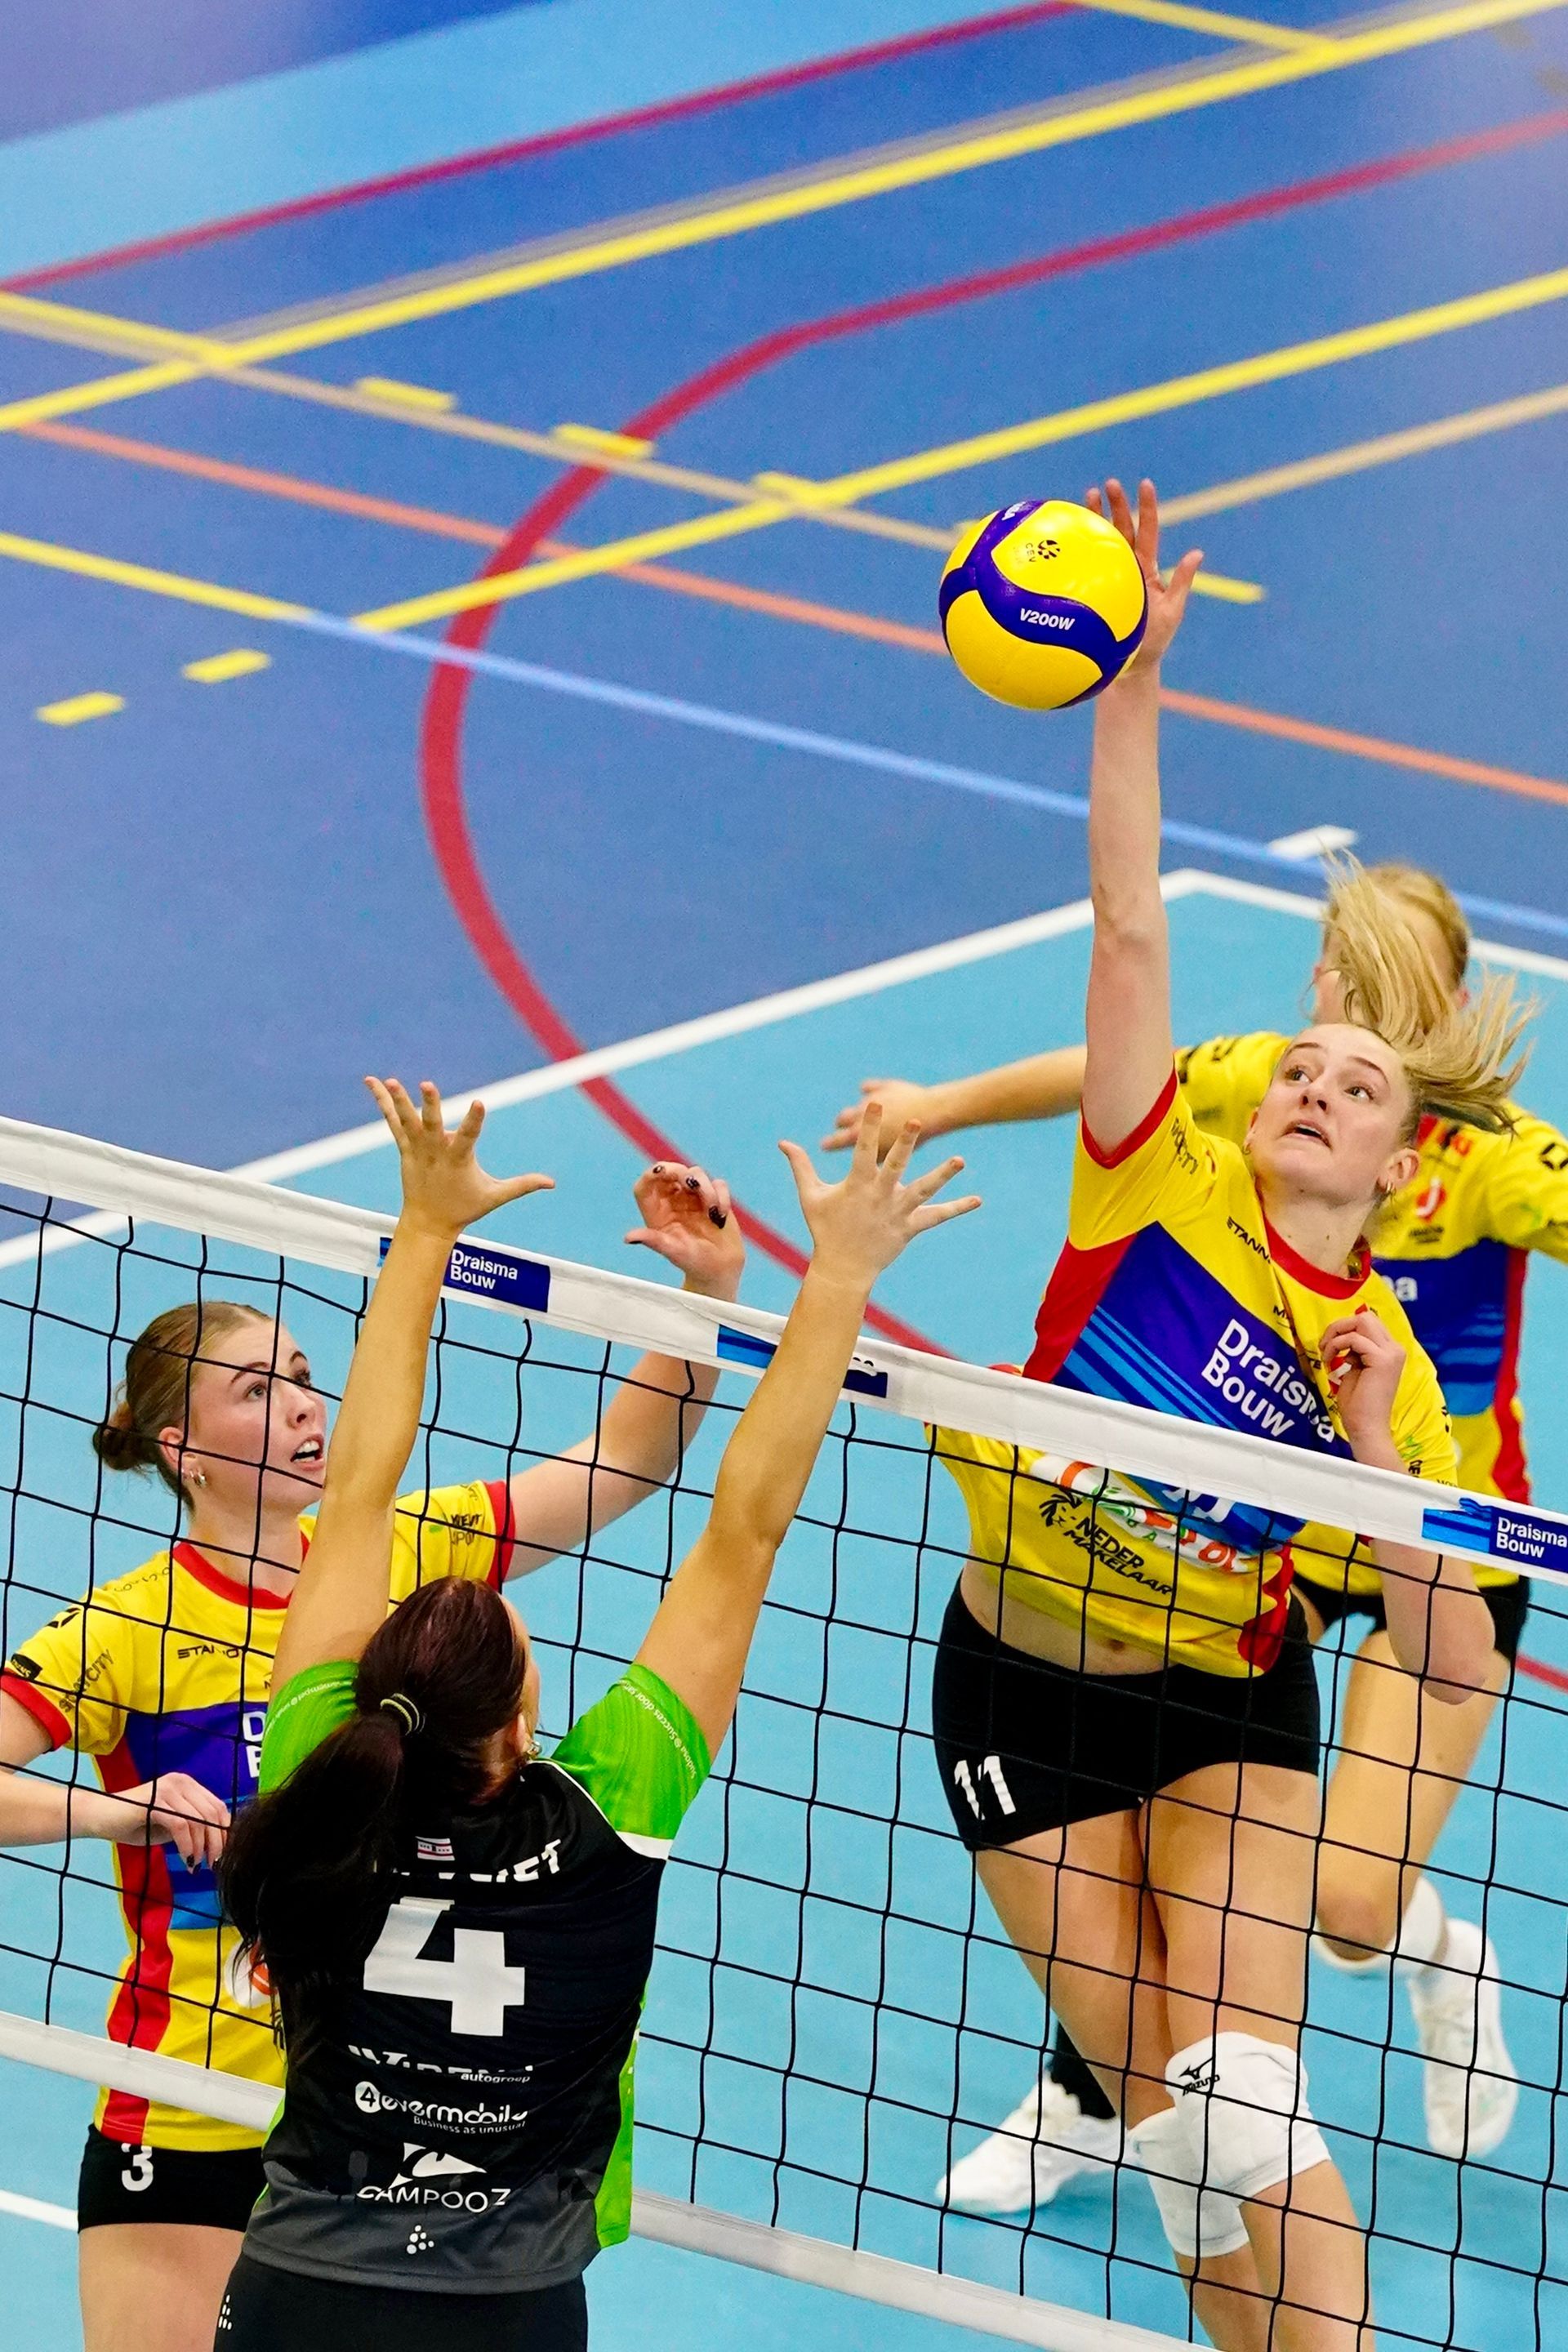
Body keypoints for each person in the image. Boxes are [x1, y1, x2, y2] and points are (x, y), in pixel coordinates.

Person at [924, 479, 1512, 2350]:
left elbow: (1454, 1658)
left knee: (1245, 2111)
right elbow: (1122, 939)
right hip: (1011, 1688)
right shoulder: (1144, 1189)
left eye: (1357, 1079)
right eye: (1301, 1061)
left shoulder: (1391, 1376)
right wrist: (1132, 693)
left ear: (1407, 1158)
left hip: (1219, 1706)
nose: (1316, 1078)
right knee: (1171, 2128)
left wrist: (1375, 1459)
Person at [830, 858, 1559, 2201]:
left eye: (1363, 971)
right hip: (1247, 1524)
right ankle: (1094, 2089)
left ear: (1438, 1002)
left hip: (1415, 1519)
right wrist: (937, 1103)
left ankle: (1441, 1955)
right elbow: (1112, 1061)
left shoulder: (1501, 1163)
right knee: (1145, 1825)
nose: (1331, 995)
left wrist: (1389, 1449)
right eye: (1332, 967)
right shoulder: (1270, 1078)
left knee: (1348, 1910)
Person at [211, 1073, 976, 2349]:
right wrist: (836, 1275)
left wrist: (426, 1229)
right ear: (522, 1718)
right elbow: (748, 1528)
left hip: (302, 2288)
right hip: (507, 2307)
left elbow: (351, 1497)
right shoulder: (609, 1811)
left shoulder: (314, 1769)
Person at [0, 1157, 747, 2352]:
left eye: (303, 1377)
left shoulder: (416, 1547)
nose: (301, 1406)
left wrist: (698, 1302)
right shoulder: (125, 1631)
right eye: (257, 1391)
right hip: (193, 2109)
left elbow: (623, 1464)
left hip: (390, 2112)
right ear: (181, 1447)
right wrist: (118, 1816)